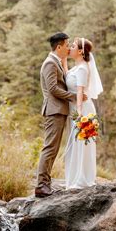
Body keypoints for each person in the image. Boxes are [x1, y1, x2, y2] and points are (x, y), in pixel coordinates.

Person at [35, 32, 87, 198]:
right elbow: (53, 89)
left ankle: (45, 184)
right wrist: (73, 97)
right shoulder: (50, 63)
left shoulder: (56, 61)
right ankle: (41, 186)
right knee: (50, 148)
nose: (68, 47)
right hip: (53, 110)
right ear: (59, 47)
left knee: (53, 148)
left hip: (58, 111)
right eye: (67, 45)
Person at [63, 37, 103, 189]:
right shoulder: (76, 67)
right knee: (76, 145)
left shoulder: (83, 68)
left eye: (73, 45)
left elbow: (80, 92)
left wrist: (79, 113)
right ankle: (74, 178)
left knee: (83, 144)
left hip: (84, 111)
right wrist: (64, 58)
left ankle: (82, 179)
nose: (70, 47)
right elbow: (67, 75)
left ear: (80, 51)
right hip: (77, 110)